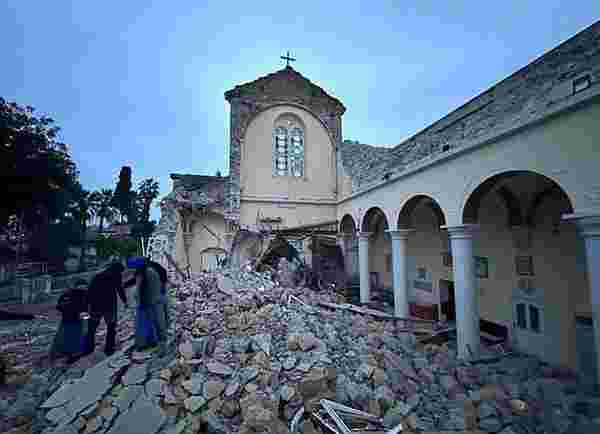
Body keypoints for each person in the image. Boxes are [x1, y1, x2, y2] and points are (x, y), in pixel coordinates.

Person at [125, 257, 168, 356]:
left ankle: (162, 347)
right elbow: (136, 281)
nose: (134, 270)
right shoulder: (143, 271)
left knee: (158, 323)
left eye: (134, 268)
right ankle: (149, 342)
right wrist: (125, 284)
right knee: (148, 324)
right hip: (148, 302)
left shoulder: (149, 272)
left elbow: (148, 289)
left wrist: (144, 302)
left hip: (153, 302)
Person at [84, 262, 128, 357]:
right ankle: (109, 349)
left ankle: (88, 349)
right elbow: (120, 289)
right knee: (111, 328)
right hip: (109, 306)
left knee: (91, 329)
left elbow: (89, 291)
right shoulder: (116, 276)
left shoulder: (98, 276)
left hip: (96, 306)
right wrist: (125, 301)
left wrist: (87, 305)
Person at [50, 278, 88, 364]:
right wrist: (86, 319)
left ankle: (59, 352)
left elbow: (59, 306)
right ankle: (74, 353)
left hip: (66, 319)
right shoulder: (85, 295)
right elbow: (86, 309)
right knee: (77, 337)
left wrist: (65, 311)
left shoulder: (67, 294)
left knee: (63, 336)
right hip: (77, 320)